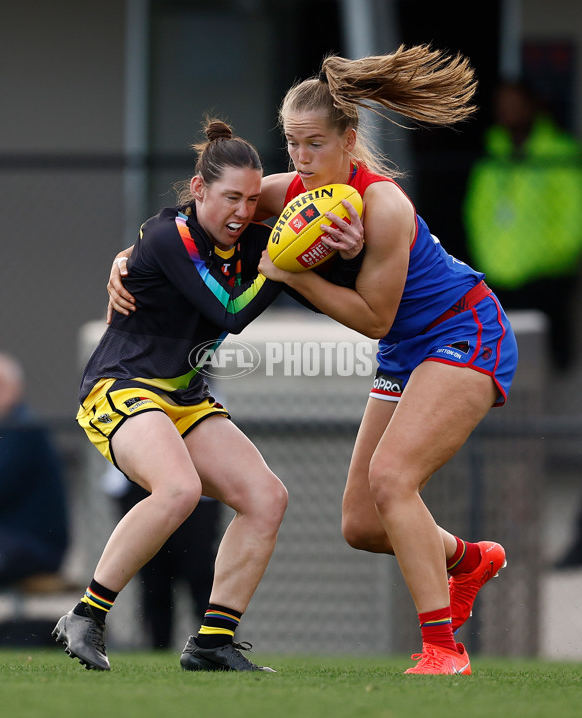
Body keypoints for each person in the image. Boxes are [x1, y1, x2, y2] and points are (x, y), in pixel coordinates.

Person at [108, 45, 518, 675]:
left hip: (462, 331)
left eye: (315, 144)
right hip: (406, 350)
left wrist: (290, 272)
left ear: (349, 140)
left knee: (391, 481)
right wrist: (132, 257)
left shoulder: (383, 206)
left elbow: (374, 317)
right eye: (293, 144)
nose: (300, 159)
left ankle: (443, 649)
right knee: (360, 522)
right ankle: (465, 560)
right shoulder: (290, 193)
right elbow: (196, 220)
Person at [55, 118, 361, 673]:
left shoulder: (253, 243)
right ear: (198, 190)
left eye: (251, 199)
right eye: (229, 198)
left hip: (185, 396)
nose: (243, 212)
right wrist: (278, 272)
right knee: (178, 490)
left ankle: (213, 642)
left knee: (267, 498)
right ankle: (86, 615)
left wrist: (345, 250)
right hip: (120, 384)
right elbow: (229, 314)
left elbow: (327, 292)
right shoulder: (168, 235)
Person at [463, 80, 582, 372]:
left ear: (533, 106)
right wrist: (489, 257)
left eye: (515, 104)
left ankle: (555, 416)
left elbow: (573, 214)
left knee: (552, 360)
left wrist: (553, 256)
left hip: (547, 274)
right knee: (499, 355)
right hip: (497, 275)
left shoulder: (561, 152)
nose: (508, 112)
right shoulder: (492, 154)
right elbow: (476, 213)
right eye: (503, 106)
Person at [103, 462, 222, 649]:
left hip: (198, 485)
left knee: (200, 575)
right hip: (138, 480)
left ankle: (216, 644)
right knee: (152, 579)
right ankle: (156, 647)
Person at [0, 351, 69, 587]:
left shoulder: (23, 429)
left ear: (17, 387)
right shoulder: (1, 431)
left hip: (33, 546)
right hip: (7, 540)